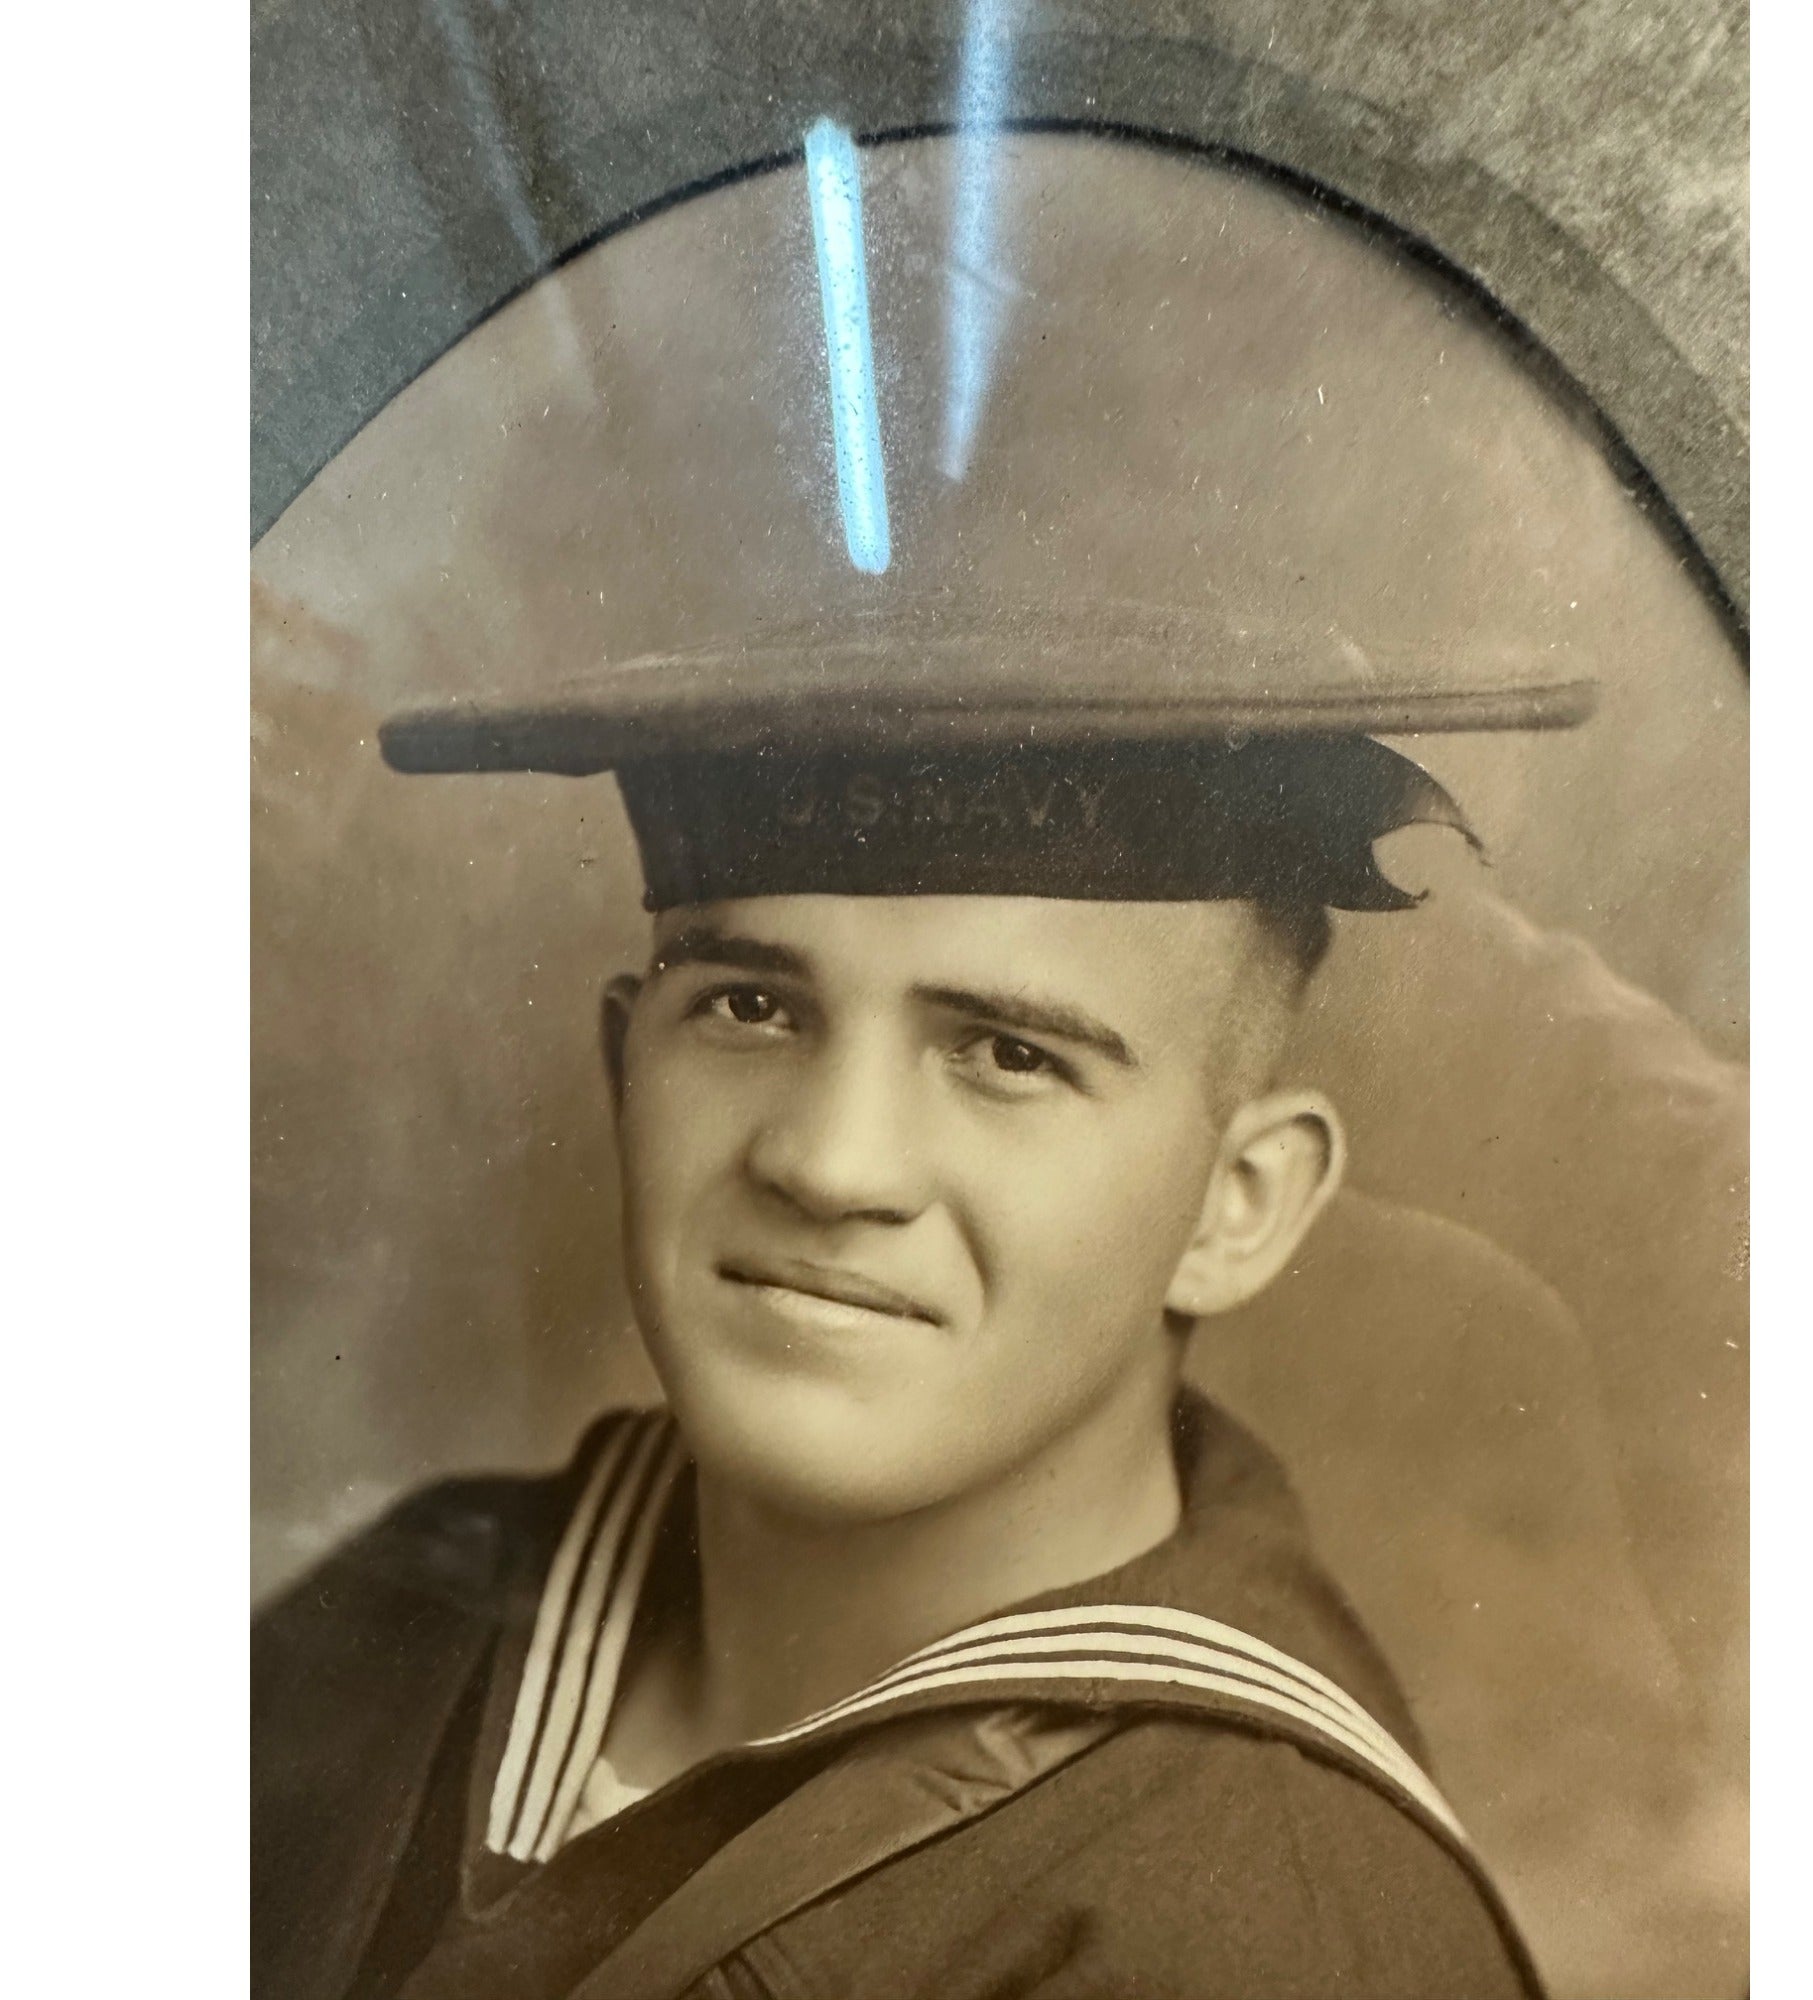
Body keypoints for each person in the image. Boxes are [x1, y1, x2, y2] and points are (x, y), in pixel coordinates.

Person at [252, 598, 1593, 1999]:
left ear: (1236, 1204)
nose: (831, 1164)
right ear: (622, 1065)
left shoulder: (1273, 1933)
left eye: (1008, 1054)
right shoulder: (392, 1618)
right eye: (750, 1011)